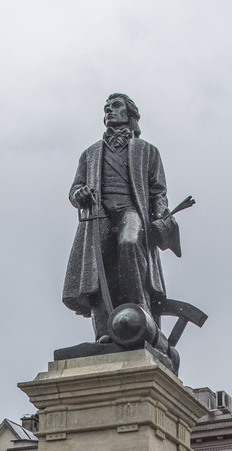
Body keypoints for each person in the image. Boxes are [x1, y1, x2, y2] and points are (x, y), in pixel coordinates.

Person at [62, 93, 176, 341]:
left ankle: (140, 314)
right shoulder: (91, 153)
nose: (109, 111)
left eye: (115, 106)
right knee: (98, 265)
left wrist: (161, 216)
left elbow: (158, 191)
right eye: (106, 108)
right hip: (99, 213)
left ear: (130, 114)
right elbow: (75, 189)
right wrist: (79, 194)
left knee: (129, 242)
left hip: (131, 210)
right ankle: (104, 330)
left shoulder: (147, 151)